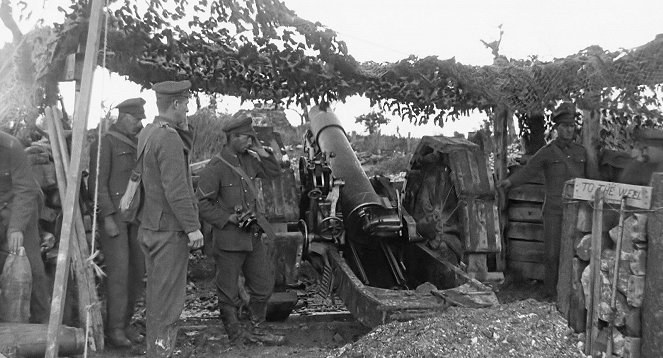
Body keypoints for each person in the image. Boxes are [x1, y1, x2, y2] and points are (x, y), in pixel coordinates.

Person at [196, 111, 284, 345]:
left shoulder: (250, 159)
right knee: (228, 291)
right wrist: (228, 218)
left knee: (263, 285)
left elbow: (274, 173)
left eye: (251, 137)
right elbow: (203, 203)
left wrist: (262, 150)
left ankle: (257, 330)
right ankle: (235, 335)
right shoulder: (216, 167)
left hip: (252, 236)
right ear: (232, 137)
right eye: (246, 137)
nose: (249, 141)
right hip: (229, 238)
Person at [134, 80, 203, 357]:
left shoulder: (149, 132)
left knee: (156, 300)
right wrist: (193, 228)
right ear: (175, 104)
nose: (188, 109)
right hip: (169, 232)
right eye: (185, 104)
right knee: (169, 305)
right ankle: (160, 354)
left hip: (150, 227)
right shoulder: (169, 138)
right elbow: (176, 189)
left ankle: (155, 351)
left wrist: (182, 125)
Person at [499, 102, 590, 296]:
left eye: (571, 126)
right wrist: (509, 182)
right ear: (557, 129)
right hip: (554, 211)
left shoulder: (581, 153)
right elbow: (528, 171)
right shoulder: (547, 152)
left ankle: (573, 293)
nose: (568, 130)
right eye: (564, 126)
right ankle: (551, 293)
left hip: (578, 211)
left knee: (576, 252)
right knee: (552, 253)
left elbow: (591, 180)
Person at [88, 98, 146, 347]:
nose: (139, 124)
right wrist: (107, 217)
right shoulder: (105, 143)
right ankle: (114, 329)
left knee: (136, 274)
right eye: (135, 119)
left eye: (141, 119)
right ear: (121, 117)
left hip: (137, 218)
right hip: (115, 220)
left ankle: (127, 323)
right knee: (119, 276)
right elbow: (97, 185)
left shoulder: (138, 143)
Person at [0, 130, 51, 323]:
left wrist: (16, 228)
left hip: (19, 208)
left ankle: (43, 325)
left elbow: (25, 189)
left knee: (33, 266)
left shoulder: (11, 147)